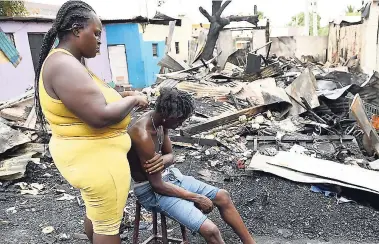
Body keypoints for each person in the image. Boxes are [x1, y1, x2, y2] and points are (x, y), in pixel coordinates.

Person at [34, 1, 148, 243]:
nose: (99, 40)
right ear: (76, 30)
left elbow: (92, 100)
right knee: (108, 226)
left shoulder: (69, 63)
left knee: (97, 215)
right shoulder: (64, 65)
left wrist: (121, 96)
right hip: (98, 164)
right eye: (95, 33)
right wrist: (135, 99)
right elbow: (100, 116)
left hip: (91, 160)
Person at [128, 87, 256, 244]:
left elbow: (171, 156)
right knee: (211, 231)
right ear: (168, 115)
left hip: (169, 177)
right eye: (180, 120)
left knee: (223, 196)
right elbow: (157, 186)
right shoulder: (143, 135)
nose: (181, 124)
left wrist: (164, 160)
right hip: (151, 190)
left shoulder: (161, 123)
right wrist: (196, 198)